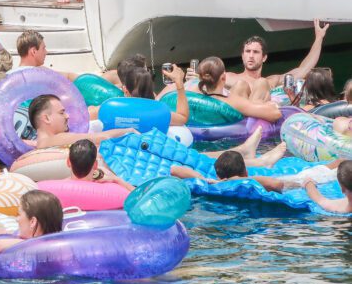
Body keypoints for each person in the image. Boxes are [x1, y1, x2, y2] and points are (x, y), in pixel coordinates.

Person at [172, 150, 345, 196]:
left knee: (338, 164)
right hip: (301, 181)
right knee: (338, 164)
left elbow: (175, 169)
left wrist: (203, 179)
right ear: (245, 170)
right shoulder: (249, 180)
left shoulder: (216, 183)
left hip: (299, 181)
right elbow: (276, 184)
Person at [223, 20, 329, 91]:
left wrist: (319, 37)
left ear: (264, 57)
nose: (251, 55)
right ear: (242, 55)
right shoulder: (230, 77)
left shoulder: (272, 81)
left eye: (255, 52)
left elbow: (303, 70)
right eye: (247, 51)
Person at [29, 94, 133, 149]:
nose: (67, 116)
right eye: (61, 113)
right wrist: (128, 130)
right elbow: (102, 138)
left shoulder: (40, 144)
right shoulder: (56, 139)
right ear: (46, 118)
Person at [196, 57, 282, 123]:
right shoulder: (233, 102)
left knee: (241, 84)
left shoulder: (194, 96)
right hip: (238, 134)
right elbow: (275, 114)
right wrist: (268, 104)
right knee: (262, 84)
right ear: (223, 77)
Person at [122, 64, 189, 126]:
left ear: (125, 90)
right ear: (151, 88)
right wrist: (179, 82)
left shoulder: (114, 109)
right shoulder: (159, 112)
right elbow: (183, 117)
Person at [67, 138, 135, 191]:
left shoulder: (59, 188)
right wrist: (116, 179)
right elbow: (140, 197)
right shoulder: (111, 190)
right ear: (95, 165)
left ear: (68, 162)